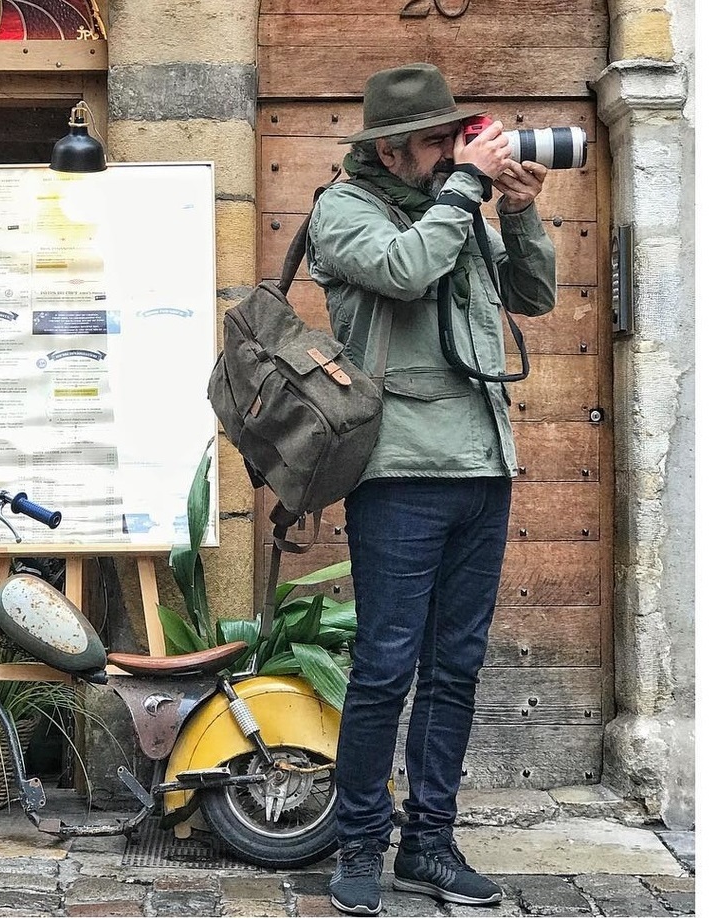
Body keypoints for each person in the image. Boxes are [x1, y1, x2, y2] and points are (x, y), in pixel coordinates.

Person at [306, 63, 556, 915]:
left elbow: (536, 295)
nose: (456, 150)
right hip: (400, 469)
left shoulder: (463, 206)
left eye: (460, 137)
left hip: (485, 465)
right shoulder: (343, 210)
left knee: (456, 668)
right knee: (384, 667)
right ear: (391, 147)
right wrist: (465, 187)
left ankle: (431, 844)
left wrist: (518, 211)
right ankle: (360, 843)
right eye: (437, 141)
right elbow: (407, 273)